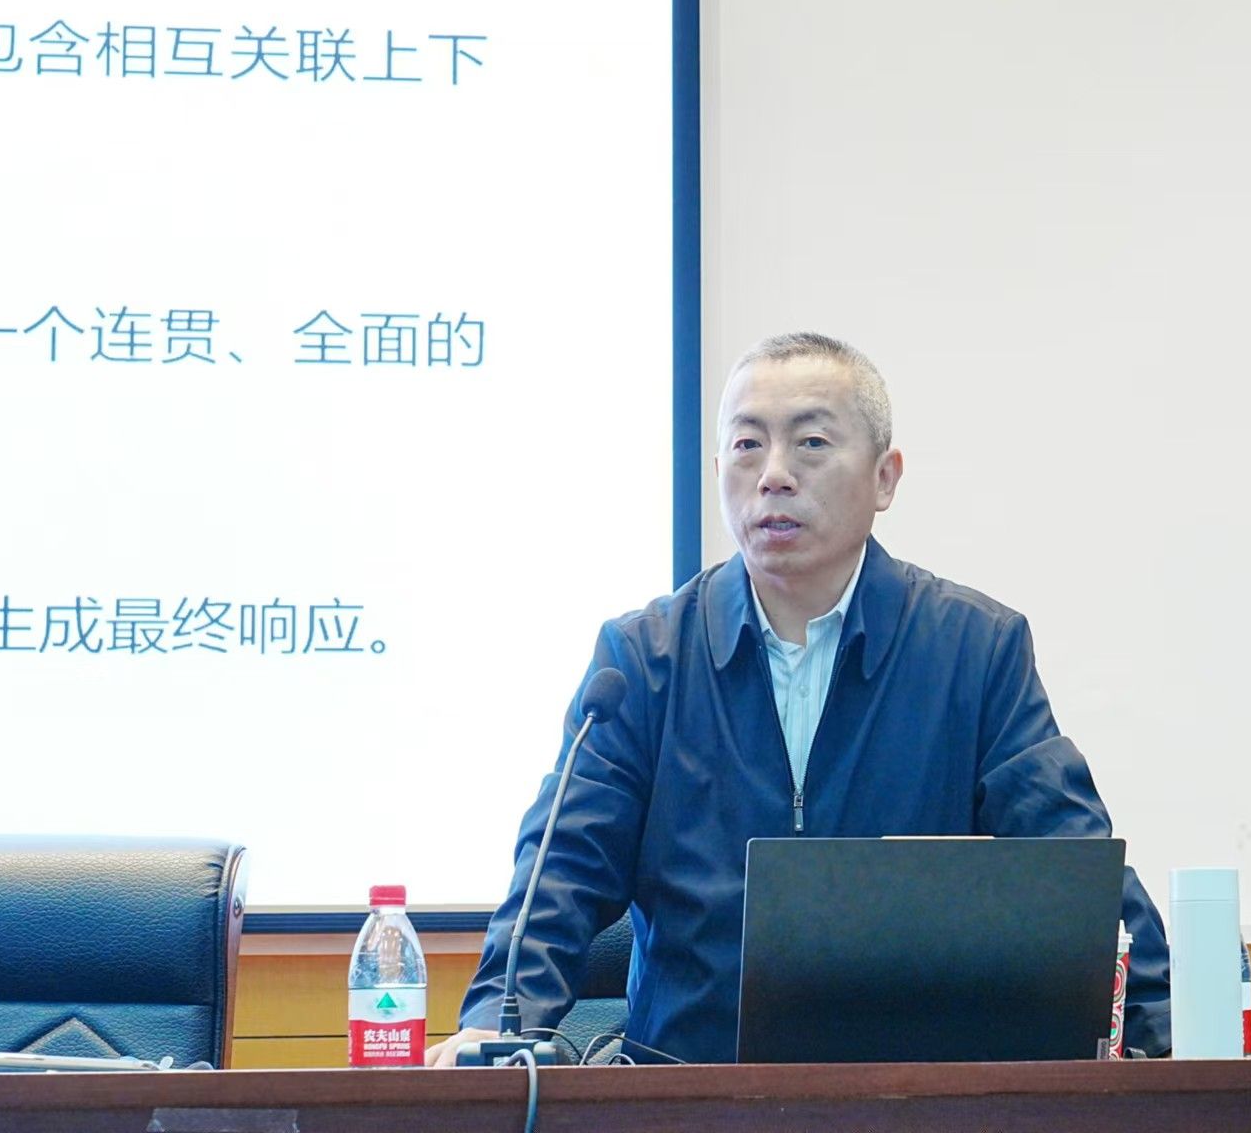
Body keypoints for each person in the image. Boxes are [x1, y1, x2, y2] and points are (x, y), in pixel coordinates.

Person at [428, 332, 1171, 1065]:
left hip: (913, 1099)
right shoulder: (647, 659)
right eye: (747, 446)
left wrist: (1170, 1038)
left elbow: (1077, 869)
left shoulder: (973, 651)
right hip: (685, 1096)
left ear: (885, 478)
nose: (773, 475)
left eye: (811, 443)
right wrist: (498, 1021)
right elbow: (562, 870)